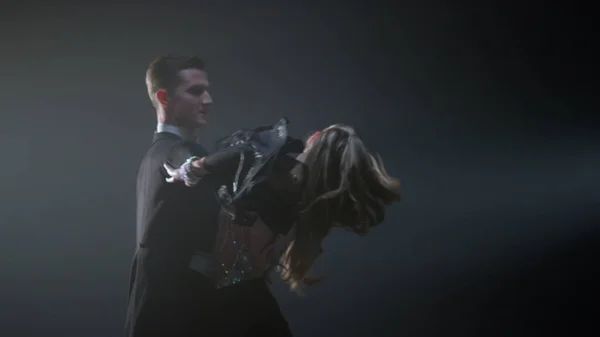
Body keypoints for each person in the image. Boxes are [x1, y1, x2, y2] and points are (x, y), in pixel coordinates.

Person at [163, 117, 402, 333]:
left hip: (219, 288)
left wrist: (190, 169)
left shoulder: (279, 169)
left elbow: (242, 151)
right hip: (238, 289)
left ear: (317, 138)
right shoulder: (307, 200)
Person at [125, 55, 220, 337]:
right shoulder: (174, 153)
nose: (208, 100)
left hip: (158, 309)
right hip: (172, 315)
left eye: (207, 90)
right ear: (164, 97)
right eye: (195, 91)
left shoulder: (155, 154)